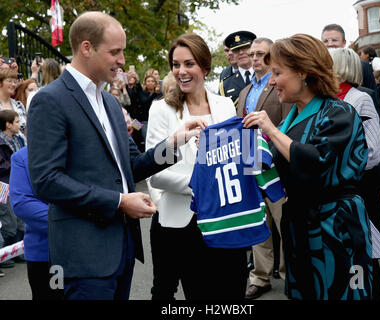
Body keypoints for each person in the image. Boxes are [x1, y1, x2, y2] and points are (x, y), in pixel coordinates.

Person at [26, 11, 205, 300]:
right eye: (115, 52)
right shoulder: (50, 100)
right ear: (87, 48)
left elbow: (130, 166)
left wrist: (174, 143)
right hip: (83, 257)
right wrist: (119, 202)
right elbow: (46, 180)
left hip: (122, 251)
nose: (122, 60)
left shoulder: (109, 102)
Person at [242, 34, 373, 300]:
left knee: (341, 292)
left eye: (277, 72)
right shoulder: (290, 119)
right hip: (299, 225)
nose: (272, 81)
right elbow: (274, 171)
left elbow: (314, 162)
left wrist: (270, 130)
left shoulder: (339, 112)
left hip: (335, 227)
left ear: (303, 72)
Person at [146, 33, 237, 300]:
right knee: (165, 291)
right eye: (176, 65)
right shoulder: (161, 109)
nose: (181, 71)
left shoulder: (225, 106)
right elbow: (157, 173)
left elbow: (232, 161)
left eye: (189, 64)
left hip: (220, 219)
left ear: (205, 67)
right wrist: (202, 184)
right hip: (175, 221)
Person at [236, 37, 292, 300]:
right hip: (250, 168)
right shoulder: (245, 92)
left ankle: (290, 273)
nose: (256, 58)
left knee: (284, 222)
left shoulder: (279, 85)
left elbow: (290, 124)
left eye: (262, 54)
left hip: (276, 168)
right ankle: (260, 277)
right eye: (253, 54)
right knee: (259, 223)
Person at [329, 47, 380, 300]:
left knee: (365, 259)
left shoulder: (360, 99)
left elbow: (373, 153)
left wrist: (335, 166)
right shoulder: (326, 100)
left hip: (359, 191)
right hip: (336, 195)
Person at [9, 146, 63, 300]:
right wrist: (69, 224)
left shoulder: (82, 148)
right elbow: (22, 203)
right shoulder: (22, 157)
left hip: (91, 252)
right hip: (46, 252)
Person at [0, 110, 26, 270]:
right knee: (8, 219)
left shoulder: (18, 139)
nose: (19, 124)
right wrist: (17, 164)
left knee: (19, 217)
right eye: (16, 121)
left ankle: (17, 251)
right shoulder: (1, 142)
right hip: (4, 184)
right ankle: (5, 253)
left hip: (17, 182)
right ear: (8, 124)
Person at [321, 24, 376, 90]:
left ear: (344, 43)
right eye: (325, 41)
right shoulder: (317, 67)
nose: (330, 44)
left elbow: (372, 94)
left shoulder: (361, 66)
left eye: (334, 40)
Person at [219, 31, 256, 106]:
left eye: (245, 48)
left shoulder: (266, 75)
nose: (241, 52)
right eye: (236, 50)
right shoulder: (225, 85)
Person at [0, 69, 27, 135]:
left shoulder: (18, 105)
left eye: (15, 82)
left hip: (20, 143)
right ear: (0, 83)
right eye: (10, 81)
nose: (13, 84)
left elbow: (25, 129)